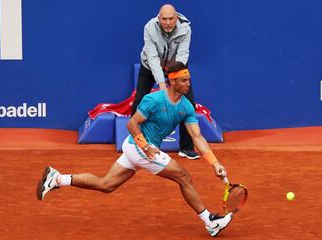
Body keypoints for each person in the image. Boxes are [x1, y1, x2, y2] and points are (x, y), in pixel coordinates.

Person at [36, 62, 234, 237]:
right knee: (183, 176)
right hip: (140, 147)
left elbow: (197, 137)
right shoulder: (154, 100)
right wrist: (145, 146)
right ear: (172, 81)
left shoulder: (186, 106)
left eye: (189, 80)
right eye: (183, 81)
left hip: (139, 149)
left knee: (106, 184)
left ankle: (57, 178)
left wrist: (214, 163)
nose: (188, 84)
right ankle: (210, 221)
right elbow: (132, 124)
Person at [131, 4, 200, 160]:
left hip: (177, 67)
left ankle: (187, 148)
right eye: (164, 19)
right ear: (159, 18)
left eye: (171, 19)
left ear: (176, 18)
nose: (168, 22)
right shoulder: (149, 27)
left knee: (189, 102)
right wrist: (163, 87)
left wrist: (174, 80)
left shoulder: (185, 29)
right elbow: (153, 58)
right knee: (139, 101)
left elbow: (182, 55)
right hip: (150, 65)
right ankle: (137, 143)